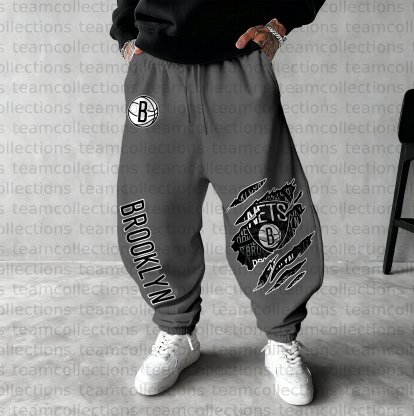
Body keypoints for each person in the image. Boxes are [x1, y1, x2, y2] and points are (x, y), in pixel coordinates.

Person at [110, 0, 325, 406]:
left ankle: (282, 339)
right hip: (156, 70)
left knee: (266, 205)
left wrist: (280, 24)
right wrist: (125, 33)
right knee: (154, 211)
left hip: (238, 64)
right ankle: (176, 331)